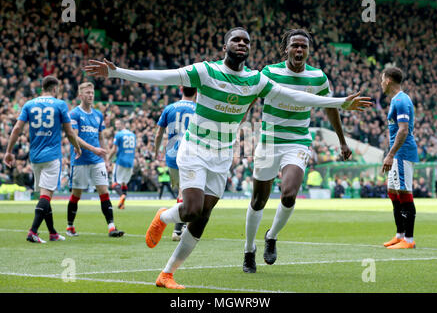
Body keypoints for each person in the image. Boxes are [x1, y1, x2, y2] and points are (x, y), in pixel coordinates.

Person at [85, 27, 371, 289]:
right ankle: (163, 216)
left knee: (203, 217)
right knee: (193, 209)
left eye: (246, 41)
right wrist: (118, 72)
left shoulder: (255, 80)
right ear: (225, 46)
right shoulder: (205, 72)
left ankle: (167, 273)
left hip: (222, 157)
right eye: (236, 39)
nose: (242, 44)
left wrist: (339, 102)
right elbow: (164, 76)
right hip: (195, 149)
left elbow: (296, 97)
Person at [242, 29, 353, 273]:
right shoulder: (270, 73)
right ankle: (249, 250)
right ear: (286, 49)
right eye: (295, 46)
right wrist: (240, 120)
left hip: (298, 142)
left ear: (308, 50)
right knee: (258, 200)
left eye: (304, 46)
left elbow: (330, 108)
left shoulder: (318, 77)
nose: (299, 50)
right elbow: (252, 96)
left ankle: (271, 236)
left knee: (289, 194)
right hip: (269, 142)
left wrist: (342, 141)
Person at [4, 76, 82, 243]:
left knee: (45, 195)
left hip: (35, 156)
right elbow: (69, 132)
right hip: (52, 156)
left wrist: (9, 151)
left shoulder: (29, 104)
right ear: (55, 89)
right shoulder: (60, 104)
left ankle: (53, 232)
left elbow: (17, 128)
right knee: (46, 196)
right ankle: (33, 231)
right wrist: (76, 146)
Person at [66, 82, 124, 238]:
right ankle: (70, 226)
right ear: (80, 95)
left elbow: (100, 137)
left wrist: (104, 158)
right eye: (87, 92)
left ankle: (111, 227)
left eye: (92, 92)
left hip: (97, 160)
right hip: (80, 160)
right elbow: (75, 136)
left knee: (104, 191)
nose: (90, 95)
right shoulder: (74, 114)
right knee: (76, 194)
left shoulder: (98, 114)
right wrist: (94, 149)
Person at [381, 67, 418, 249]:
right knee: (393, 192)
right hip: (398, 154)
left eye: (382, 79)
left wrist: (390, 154)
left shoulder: (402, 100)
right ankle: (400, 235)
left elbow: (404, 130)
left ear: (388, 80)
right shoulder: (397, 100)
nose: (381, 83)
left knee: (404, 192)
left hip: (402, 153)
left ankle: (409, 240)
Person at [155, 86, 197, 241]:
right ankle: (179, 229)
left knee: (182, 191)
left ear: (181, 89)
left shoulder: (169, 108)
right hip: (191, 155)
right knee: (187, 191)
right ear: (196, 92)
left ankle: (180, 228)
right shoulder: (199, 109)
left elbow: (159, 133)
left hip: (172, 156)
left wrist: (155, 150)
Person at [108, 120, 136, 209]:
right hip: (130, 162)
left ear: (123, 125)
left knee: (114, 183)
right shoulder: (133, 135)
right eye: (116, 124)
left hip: (121, 161)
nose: (117, 126)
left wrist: (108, 159)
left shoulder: (119, 134)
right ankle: (122, 204)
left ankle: (122, 196)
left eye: (118, 124)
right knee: (124, 183)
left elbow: (114, 150)